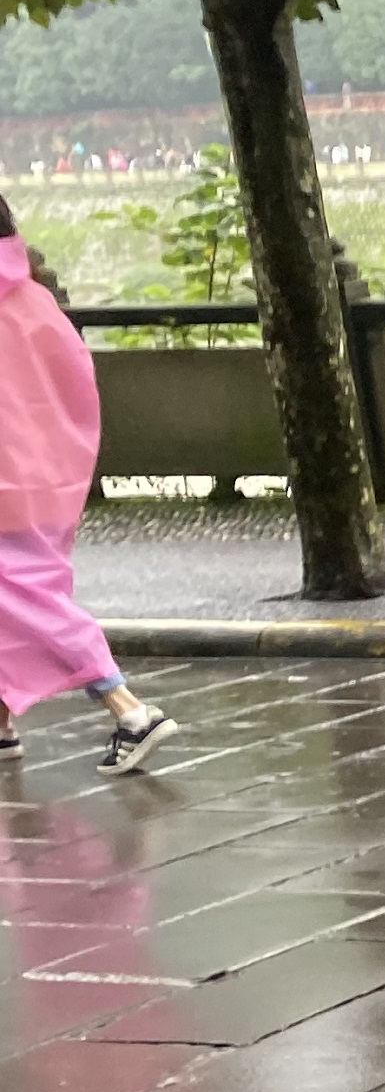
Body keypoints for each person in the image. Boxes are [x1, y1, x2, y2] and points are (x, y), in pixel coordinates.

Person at [0, 208, 175, 778]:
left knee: (27, 601)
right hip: (46, 476)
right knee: (25, 593)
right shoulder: (34, 300)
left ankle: (128, 710)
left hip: (6, 481)